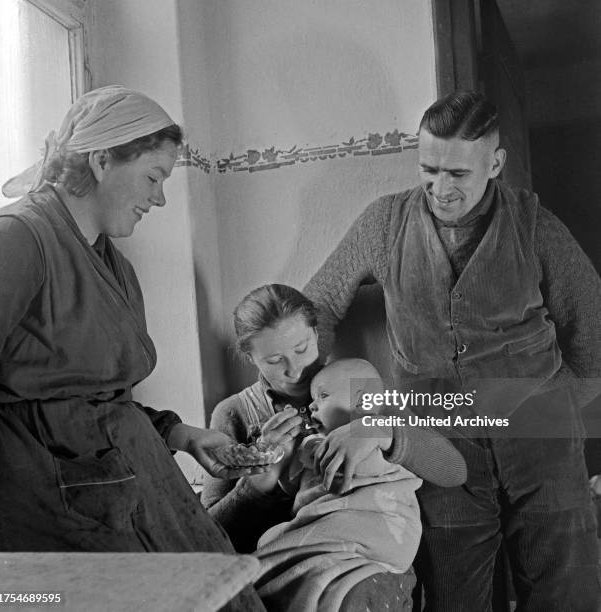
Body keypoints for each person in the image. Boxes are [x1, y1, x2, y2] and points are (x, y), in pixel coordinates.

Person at [304, 90, 601, 611]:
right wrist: (325, 394)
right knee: (454, 594)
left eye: (458, 174)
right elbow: (317, 308)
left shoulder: (536, 226)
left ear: (495, 164)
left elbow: (593, 332)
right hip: (438, 442)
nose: (440, 189)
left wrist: (554, 411)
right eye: (429, 169)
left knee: (566, 592)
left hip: (543, 441)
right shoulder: (383, 224)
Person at [0, 84, 267, 611]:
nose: (159, 198)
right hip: (56, 509)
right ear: (101, 160)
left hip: (134, 483)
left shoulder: (114, 265)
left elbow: (97, 397)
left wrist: (179, 433)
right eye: (153, 177)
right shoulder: (16, 240)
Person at [202, 283, 466, 609]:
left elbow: (454, 471)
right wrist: (258, 487)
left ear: (315, 333)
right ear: (250, 356)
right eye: (274, 360)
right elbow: (207, 539)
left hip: (369, 561)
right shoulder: (234, 414)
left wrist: (379, 429)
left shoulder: (359, 386)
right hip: (284, 570)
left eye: (301, 349)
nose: (294, 369)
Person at [254, 358, 423, 612]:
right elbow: (295, 488)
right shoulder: (310, 444)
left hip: (370, 527)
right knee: (300, 566)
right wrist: (285, 455)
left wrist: (312, 449)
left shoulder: (378, 437)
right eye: (312, 399)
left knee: (279, 554)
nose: (311, 406)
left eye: (323, 396)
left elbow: (376, 472)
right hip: (326, 534)